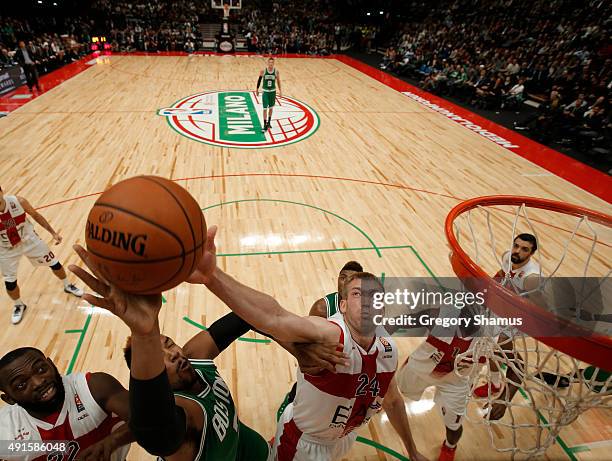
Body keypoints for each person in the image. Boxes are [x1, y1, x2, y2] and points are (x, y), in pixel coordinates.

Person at [70, 227, 429, 461]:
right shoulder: (174, 413)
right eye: (158, 358)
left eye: (168, 343)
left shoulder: (196, 355)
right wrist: (147, 336)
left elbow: (245, 320)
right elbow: (153, 426)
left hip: (250, 446)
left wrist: (295, 347)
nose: (174, 352)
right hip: (301, 444)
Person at [0, 347, 132, 460]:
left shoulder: (94, 387)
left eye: (41, 370)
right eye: (22, 385)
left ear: (51, 364)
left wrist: (113, 441)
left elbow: (147, 418)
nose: (39, 382)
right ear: (9, 399)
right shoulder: (5, 430)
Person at [0, 186, 83, 324]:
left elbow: (36, 216)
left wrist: (53, 233)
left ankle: (68, 285)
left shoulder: (18, 202)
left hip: (29, 241)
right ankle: (19, 304)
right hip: (7, 249)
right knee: (10, 282)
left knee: (54, 263)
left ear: (1, 192)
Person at [256, 57, 282, 132]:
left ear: (273, 63)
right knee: (265, 108)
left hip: (273, 92)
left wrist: (280, 90)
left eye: (272, 63)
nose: (270, 64)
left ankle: (269, 122)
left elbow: (278, 81)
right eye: (269, 62)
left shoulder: (276, 71)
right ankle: (264, 125)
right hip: (265, 91)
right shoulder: (263, 71)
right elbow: (259, 80)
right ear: (267, 63)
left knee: (271, 108)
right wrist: (257, 89)